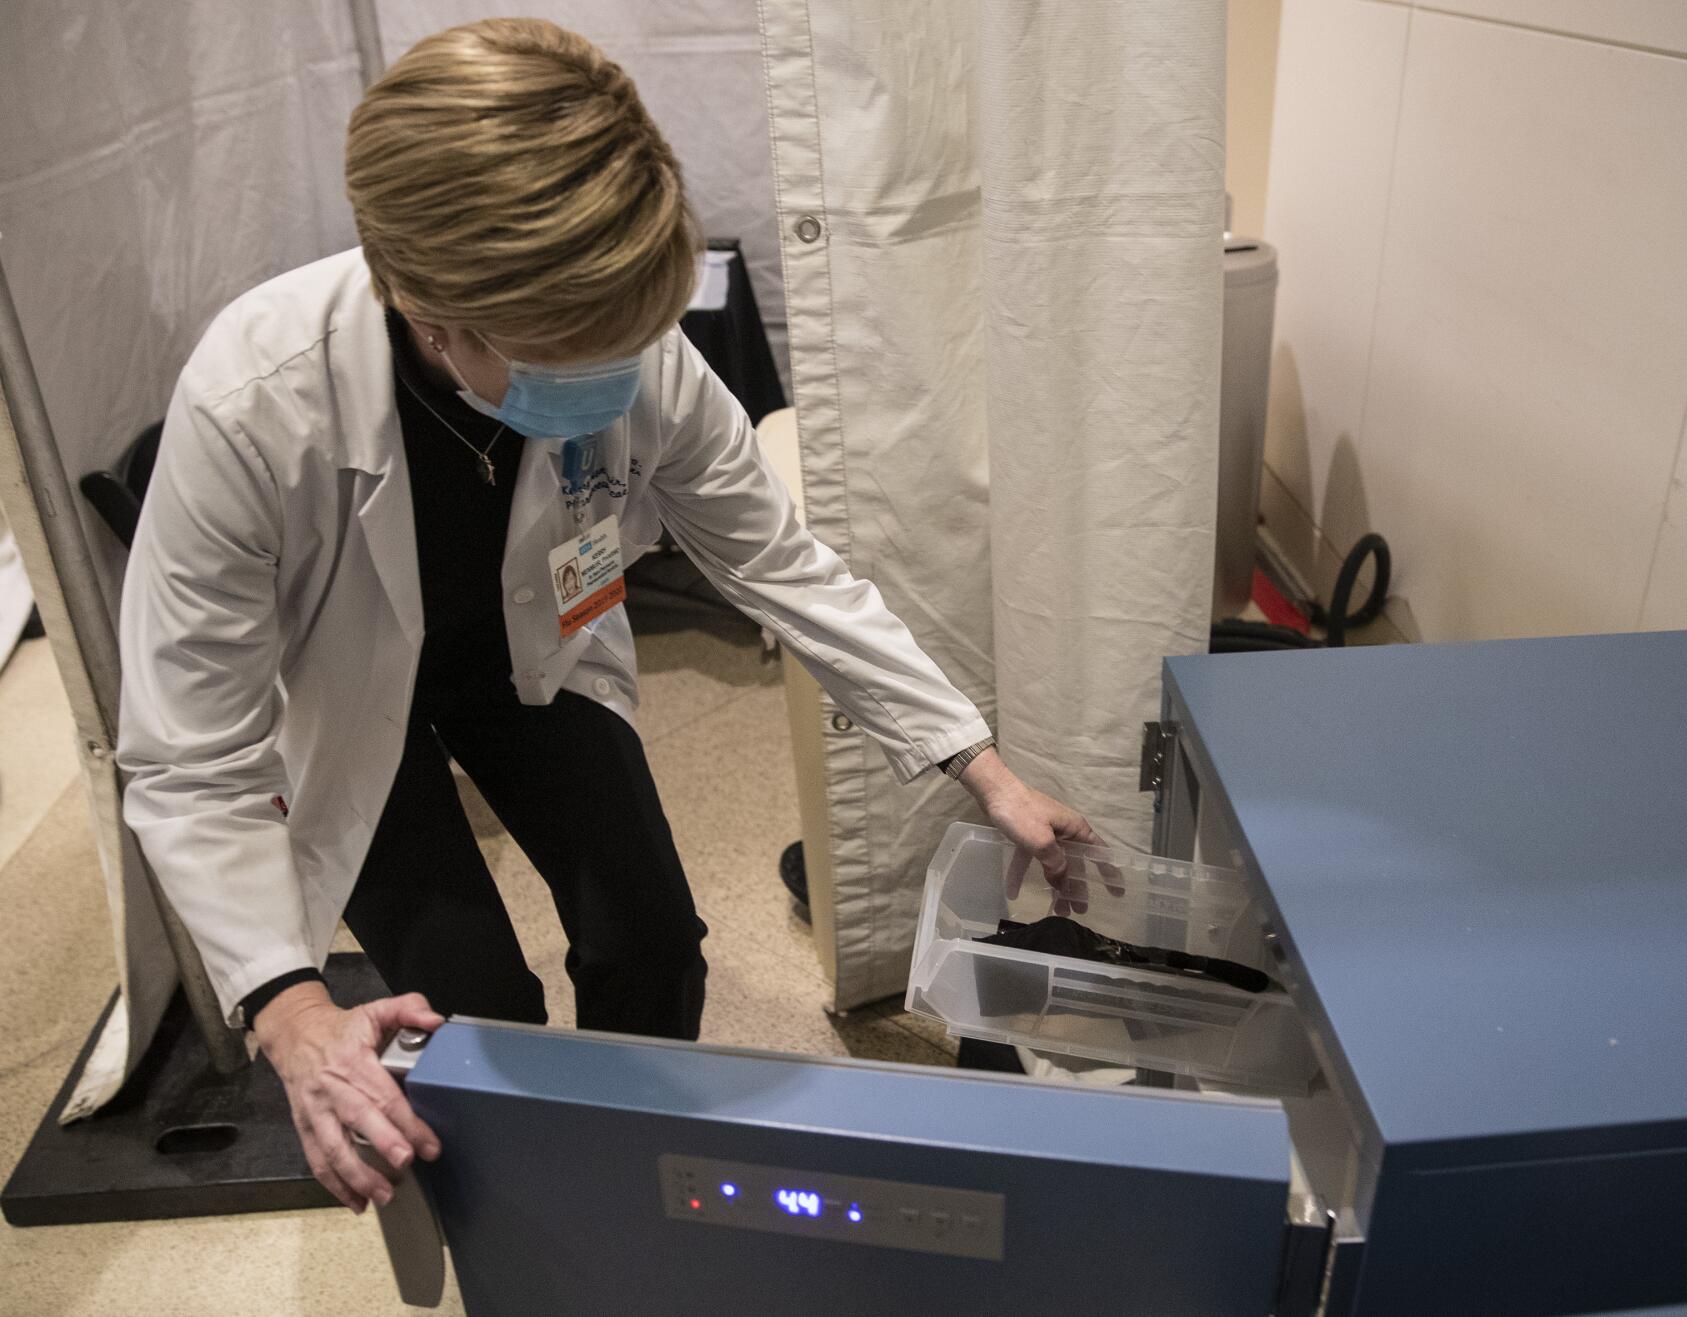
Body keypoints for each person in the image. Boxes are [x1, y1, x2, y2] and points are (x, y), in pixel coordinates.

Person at [115, 19, 1098, 1216]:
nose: (615, 374)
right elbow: (186, 758)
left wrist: (979, 765)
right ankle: (528, 1226)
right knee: (471, 997)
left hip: (535, 659)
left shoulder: (638, 351)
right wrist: (290, 1008)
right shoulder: (253, 404)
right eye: (561, 352)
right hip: (339, 696)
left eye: (629, 336)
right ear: (428, 307)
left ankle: (644, 1194)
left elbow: (785, 568)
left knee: (650, 944)